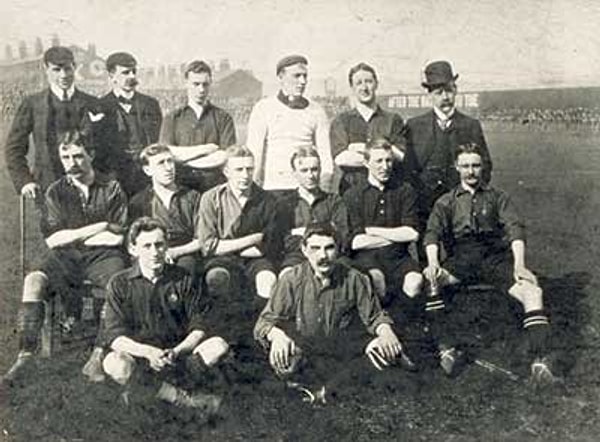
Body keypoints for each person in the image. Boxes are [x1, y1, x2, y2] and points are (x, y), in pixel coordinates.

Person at [422, 142, 557, 384]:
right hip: (461, 261)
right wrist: (433, 263)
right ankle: (447, 348)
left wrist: (519, 265)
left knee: (533, 291)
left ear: (483, 167)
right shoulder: (446, 201)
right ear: (456, 167)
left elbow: (515, 229)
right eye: (465, 166)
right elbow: (432, 233)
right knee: (432, 282)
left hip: (494, 260)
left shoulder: (498, 198)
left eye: (475, 165)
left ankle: (540, 360)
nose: (471, 171)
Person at [2, 131, 129, 385]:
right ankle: (25, 354)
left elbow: (117, 237)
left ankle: (98, 354)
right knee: (34, 281)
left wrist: (74, 235)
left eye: (78, 156)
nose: (72, 162)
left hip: (104, 257)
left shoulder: (111, 187)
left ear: (91, 155)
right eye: (66, 156)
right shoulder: (56, 191)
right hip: (65, 258)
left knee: (117, 283)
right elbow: (53, 240)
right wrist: (98, 226)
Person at [254, 223, 414, 403]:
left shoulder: (355, 278)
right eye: (315, 248)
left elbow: (374, 316)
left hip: (342, 349)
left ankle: (323, 392)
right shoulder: (291, 280)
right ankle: (329, 386)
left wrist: (386, 332)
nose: (322, 256)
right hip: (307, 348)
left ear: (338, 250)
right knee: (285, 357)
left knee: (384, 351)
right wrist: (277, 336)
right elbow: (264, 322)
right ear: (304, 250)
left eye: (329, 248)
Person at [102, 217, 229, 411]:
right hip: (140, 358)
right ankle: (182, 399)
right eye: (147, 246)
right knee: (114, 363)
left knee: (218, 346)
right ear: (133, 249)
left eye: (159, 245)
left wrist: (177, 351)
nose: (155, 252)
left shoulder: (184, 278)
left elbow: (199, 326)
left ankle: (154, 392)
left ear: (167, 246)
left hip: (178, 356)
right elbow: (114, 337)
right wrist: (148, 352)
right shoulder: (119, 283)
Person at [405, 60, 492, 250]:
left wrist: (470, 197)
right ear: (429, 95)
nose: (445, 97)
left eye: (449, 91)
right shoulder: (414, 126)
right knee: (426, 255)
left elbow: (485, 165)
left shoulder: (470, 125)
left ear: (456, 90)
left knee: (460, 254)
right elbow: (407, 169)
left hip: (460, 205)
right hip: (424, 205)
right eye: (438, 93)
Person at [5, 46, 102, 196]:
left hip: (89, 187)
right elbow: (14, 148)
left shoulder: (92, 103)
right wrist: (24, 181)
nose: (63, 75)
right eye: (57, 70)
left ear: (74, 67)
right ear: (46, 69)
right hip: (47, 187)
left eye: (68, 69)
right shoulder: (33, 104)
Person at [197, 145, 282, 306]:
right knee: (216, 277)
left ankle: (261, 328)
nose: (245, 175)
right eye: (239, 169)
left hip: (256, 261)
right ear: (226, 172)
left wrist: (225, 245)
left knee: (268, 280)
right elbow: (208, 247)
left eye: (249, 169)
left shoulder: (268, 200)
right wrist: (253, 238)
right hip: (221, 260)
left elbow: (269, 245)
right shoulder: (210, 198)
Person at [343, 138, 423, 306]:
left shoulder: (405, 190)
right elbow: (356, 242)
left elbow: (412, 234)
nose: (385, 166)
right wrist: (397, 235)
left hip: (398, 257)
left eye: (388, 160)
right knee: (377, 280)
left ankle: (406, 326)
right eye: (379, 161)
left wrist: (371, 230)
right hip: (366, 258)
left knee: (415, 281)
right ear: (366, 163)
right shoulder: (353, 194)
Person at [246, 55, 334, 194]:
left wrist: (323, 193)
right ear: (281, 77)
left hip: (307, 190)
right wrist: (254, 193)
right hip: (274, 188)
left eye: (305, 76)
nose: (302, 81)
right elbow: (254, 154)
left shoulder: (317, 111)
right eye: (296, 76)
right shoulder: (263, 108)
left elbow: (325, 155)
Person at [330, 62, 414, 194]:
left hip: (388, 191)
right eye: (359, 83)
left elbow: (400, 155)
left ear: (376, 84)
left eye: (368, 81)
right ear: (352, 88)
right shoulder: (342, 121)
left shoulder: (393, 119)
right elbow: (341, 158)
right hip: (351, 190)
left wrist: (359, 148)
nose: (364, 87)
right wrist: (383, 152)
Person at [160, 60, 237, 192]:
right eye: (196, 84)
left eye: (205, 84)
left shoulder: (223, 118)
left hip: (214, 187)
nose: (201, 90)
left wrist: (184, 160)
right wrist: (206, 149)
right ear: (186, 84)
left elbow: (224, 156)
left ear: (210, 84)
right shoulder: (172, 118)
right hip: (181, 187)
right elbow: (167, 153)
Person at [129, 144, 203, 278]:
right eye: (161, 163)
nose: (168, 168)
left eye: (170, 161)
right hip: (151, 251)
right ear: (147, 170)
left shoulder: (192, 197)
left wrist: (175, 252)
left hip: (185, 252)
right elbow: (133, 242)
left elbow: (201, 239)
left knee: (185, 270)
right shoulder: (139, 202)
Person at [97, 52, 162, 196]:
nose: (132, 76)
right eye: (125, 73)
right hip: (115, 178)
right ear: (112, 76)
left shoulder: (151, 104)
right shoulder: (100, 106)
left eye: (134, 72)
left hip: (147, 175)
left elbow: (159, 141)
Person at [279, 146, 349, 274]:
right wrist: (326, 229)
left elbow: (342, 235)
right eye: (304, 170)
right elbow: (282, 239)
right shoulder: (285, 204)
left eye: (314, 170)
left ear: (320, 170)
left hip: (331, 255)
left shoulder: (333, 201)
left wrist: (302, 232)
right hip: (296, 256)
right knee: (286, 275)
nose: (310, 175)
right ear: (294, 173)